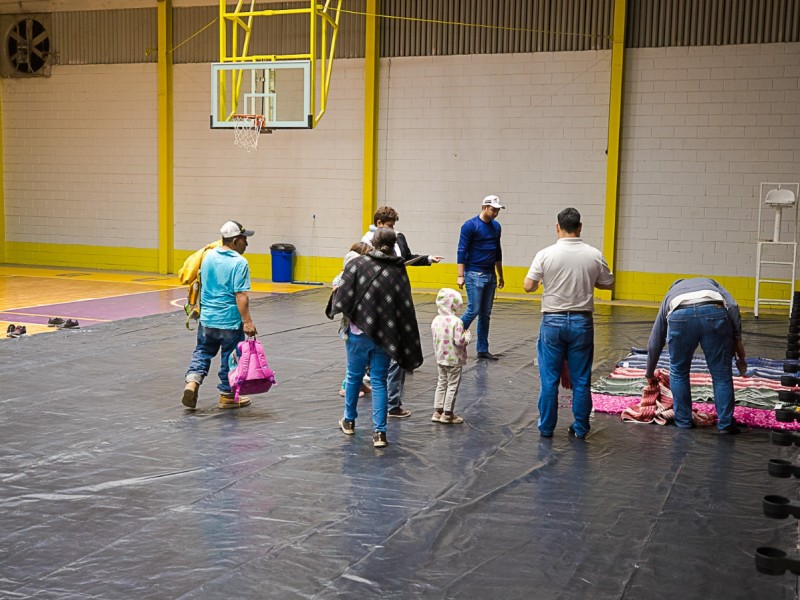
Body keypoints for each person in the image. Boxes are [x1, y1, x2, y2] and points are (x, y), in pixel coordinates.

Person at [327, 227, 424, 448]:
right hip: (385, 336)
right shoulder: (398, 270)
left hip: (357, 333)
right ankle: (380, 434)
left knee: (354, 376)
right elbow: (404, 306)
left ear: (373, 242)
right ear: (393, 245)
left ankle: (349, 421)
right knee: (379, 381)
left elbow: (342, 296)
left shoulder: (356, 265)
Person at [524, 207, 614, 439]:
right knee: (581, 379)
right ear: (580, 227)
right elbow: (608, 284)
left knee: (549, 380)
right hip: (581, 322)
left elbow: (528, 286)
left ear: (557, 227)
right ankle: (581, 428)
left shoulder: (545, 254)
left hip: (552, 321)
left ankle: (546, 428)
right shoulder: (594, 254)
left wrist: (544, 283)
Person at [362, 206, 443, 417]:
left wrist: (426, 259)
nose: (393, 230)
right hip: (378, 302)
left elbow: (406, 258)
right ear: (379, 224)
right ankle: (376, 395)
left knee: (394, 354)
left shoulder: (398, 238)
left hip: (396, 299)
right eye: (389, 225)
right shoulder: (366, 242)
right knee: (375, 351)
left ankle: (392, 403)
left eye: (394, 226)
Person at [645, 277, 747, 434]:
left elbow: (656, 339)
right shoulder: (712, 284)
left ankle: (683, 421)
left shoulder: (671, 293)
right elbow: (732, 306)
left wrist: (649, 372)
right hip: (714, 312)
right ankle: (726, 425)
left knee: (678, 373)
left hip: (680, 315)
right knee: (721, 374)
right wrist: (737, 338)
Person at [182, 220, 258, 410]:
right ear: (234, 241)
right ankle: (227, 396)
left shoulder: (208, 257)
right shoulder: (239, 262)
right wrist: (247, 322)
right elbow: (240, 295)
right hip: (229, 321)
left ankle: (192, 382)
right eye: (243, 239)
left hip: (207, 319)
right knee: (230, 357)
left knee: (202, 352)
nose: (246, 244)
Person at [457, 195, 505, 360]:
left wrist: (500, 274)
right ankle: (453, 335)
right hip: (474, 273)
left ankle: (483, 348)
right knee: (474, 309)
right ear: (484, 207)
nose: (495, 213)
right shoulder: (470, 226)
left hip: (490, 273)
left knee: (485, 313)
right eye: (493, 209)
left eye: (498, 210)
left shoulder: (496, 227)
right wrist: (460, 275)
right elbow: (461, 250)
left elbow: (497, 251)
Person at [332, 242, 373, 398]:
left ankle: (360, 383)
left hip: (362, 324)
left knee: (365, 357)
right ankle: (346, 386)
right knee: (356, 359)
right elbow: (336, 287)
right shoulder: (345, 276)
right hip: (353, 326)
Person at [431, 288, 472, 424]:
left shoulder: (436, 320)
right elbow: (459, 342)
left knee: (441, 383)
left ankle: (438, 411)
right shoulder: (456, 322)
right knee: (452, 385)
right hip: (454, 359)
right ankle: (448, 413)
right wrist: (467, 336)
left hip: (440, 357)